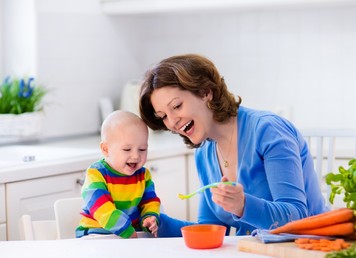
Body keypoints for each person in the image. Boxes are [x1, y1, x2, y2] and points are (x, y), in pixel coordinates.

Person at [138, 54, 328, 237]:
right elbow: (210, 229)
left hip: (309, 248)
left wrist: (243, 205)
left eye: (177, 106)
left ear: (206, 92)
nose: (172, 122)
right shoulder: (204, 153)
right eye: (163, 116)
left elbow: (297, 216)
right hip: (253, 254)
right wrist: (156, 223)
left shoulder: (268, 131)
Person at [76, 110, 161, 238]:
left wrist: (149, 217)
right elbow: (103, 210)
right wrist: (127, 231)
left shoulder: (143, 175)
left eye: (142, 149)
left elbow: (150, 201)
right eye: (127, 149)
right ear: (106, 149)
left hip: (132, 233)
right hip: (97, 234)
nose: (136, 156)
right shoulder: (96, 174)